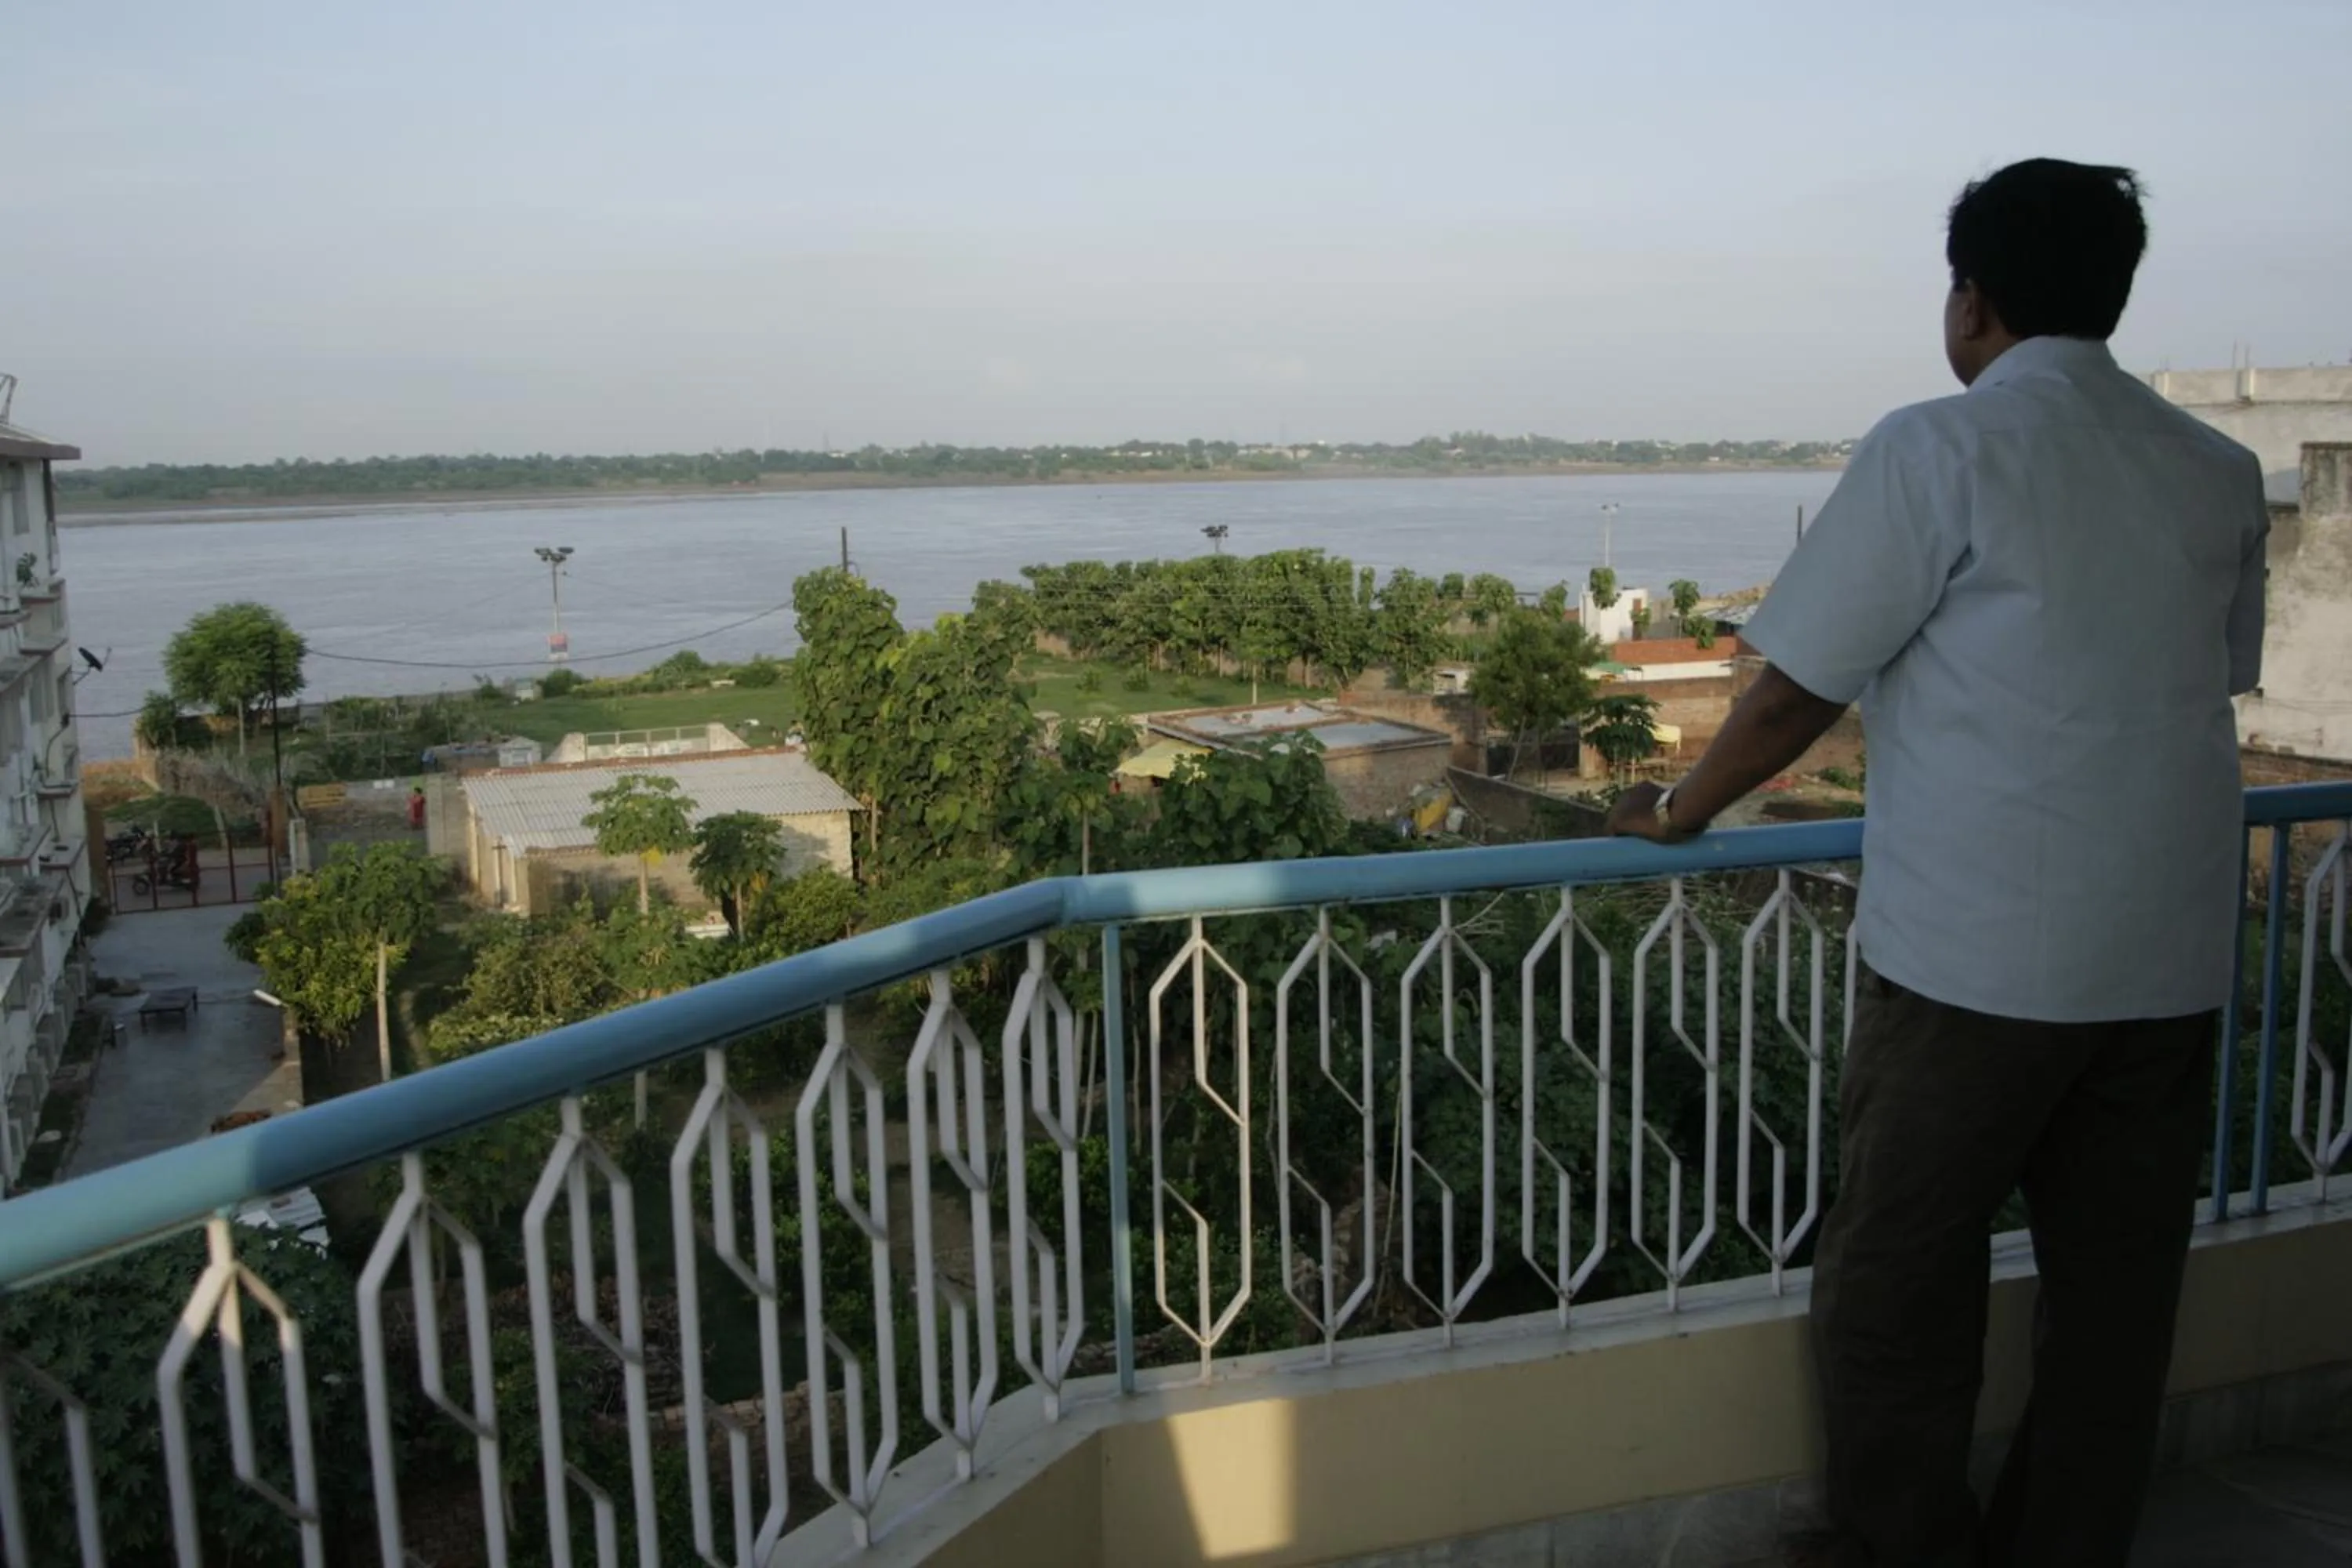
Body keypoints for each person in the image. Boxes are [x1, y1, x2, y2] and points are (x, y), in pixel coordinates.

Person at [1606, 158, 2267, 1567]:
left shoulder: (1940, 446)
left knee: (1899, 1274)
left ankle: (1902, 1546)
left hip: (1976, 962)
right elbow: (2205, 681)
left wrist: (1681, 810)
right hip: (2166, 957)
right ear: (2116, 290)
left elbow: (1793, 692)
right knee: (2115, 1294)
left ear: (1970, 299)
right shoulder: (2216, 471)